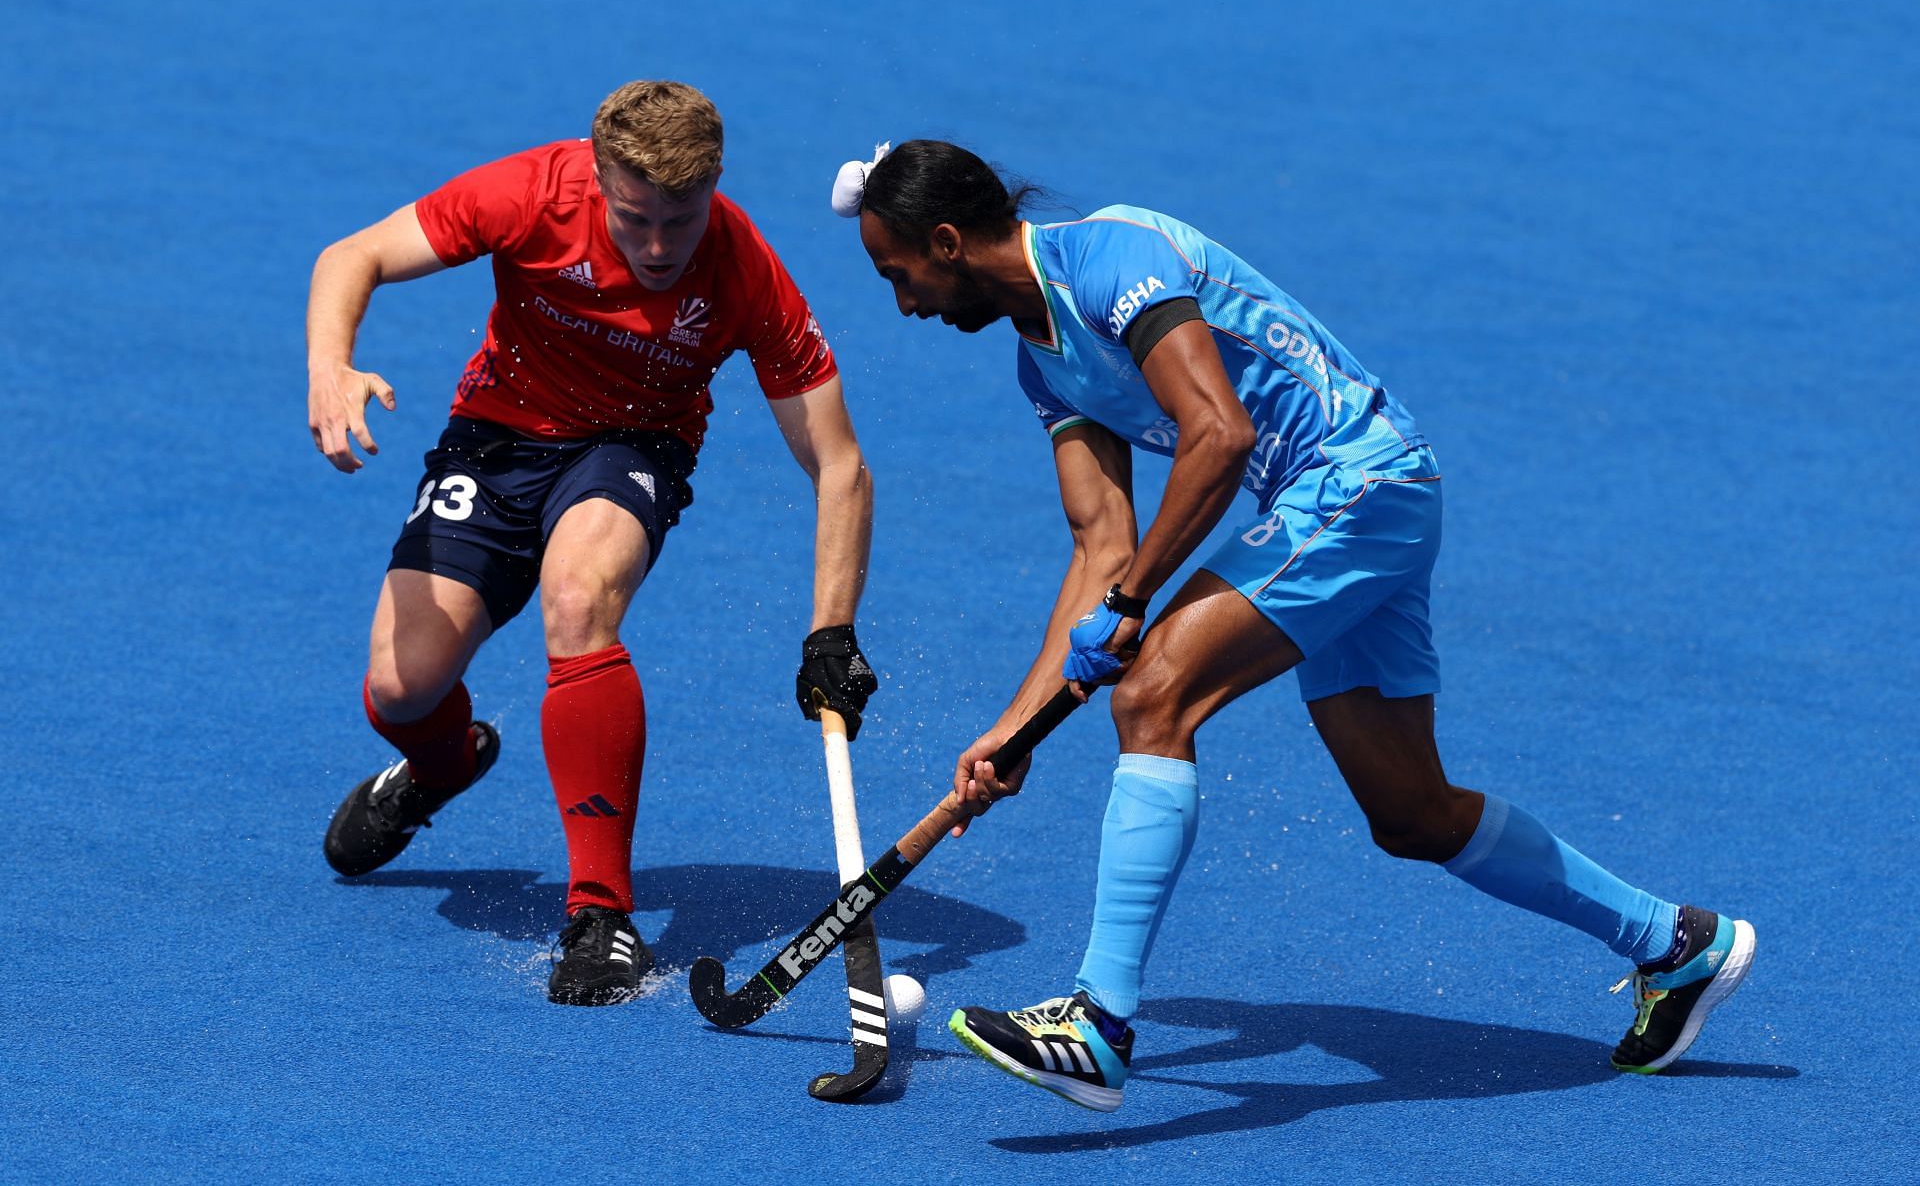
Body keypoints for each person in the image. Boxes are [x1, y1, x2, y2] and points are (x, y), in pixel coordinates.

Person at [832, 139, 1753, 1110]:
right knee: (1412, 813)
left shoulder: (1110, 258)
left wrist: (1136, 601)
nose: (906, 305)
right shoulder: (1044, 368)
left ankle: (1099, 1022)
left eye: (899, 276)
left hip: (1357, 482)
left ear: (946, 241)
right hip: (1340, 505)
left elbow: (1218, 433)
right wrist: (1013, 730)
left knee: (1153, 694)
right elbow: (1100, 550)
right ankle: (1676, 939)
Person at [307, 81, 877, 1006]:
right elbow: (354, 254)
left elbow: (840, 465)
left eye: (680, 220)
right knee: (402, 686)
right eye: (636, 217)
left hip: (631, 447)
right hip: (495, 437)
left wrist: (831, 630)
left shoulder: (742, 270)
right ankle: (442, 764)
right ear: (598, 176)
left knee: (579, 600)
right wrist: (330, 366)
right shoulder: (531, 194)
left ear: (715, 187)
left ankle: (602, 914)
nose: (658, 247)